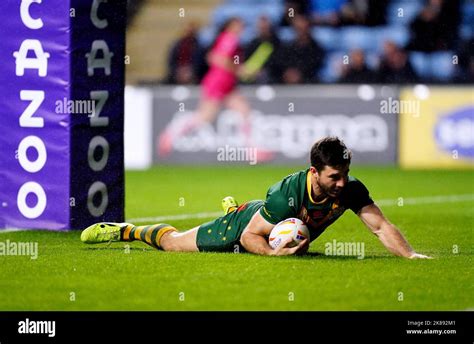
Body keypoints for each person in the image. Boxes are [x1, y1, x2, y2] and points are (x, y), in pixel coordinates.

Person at [81, 137, 431, 259]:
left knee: (257, 219)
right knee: (173, 244)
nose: (341, 183)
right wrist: (274, 254)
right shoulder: (288, 194)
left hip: (264, 219)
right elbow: (250, 237)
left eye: (344, 174)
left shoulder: (351, 189)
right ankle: (125, 230)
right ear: (314, 172)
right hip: (243, 227)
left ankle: (237, 207)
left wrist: (411, 255)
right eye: (333, 177)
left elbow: (381, 227)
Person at [158, 18, 267, 158]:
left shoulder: (229, 39)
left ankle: (252, 150)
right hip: (218, 82)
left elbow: (214, 56)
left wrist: (240, 69)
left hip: (227, 83)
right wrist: (239, 70)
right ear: (229, 26)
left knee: (244, 111)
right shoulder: (229, 38)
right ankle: (171, 133)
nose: (241, 28)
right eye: (238, 25)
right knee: (205, 117)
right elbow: (216, 58)